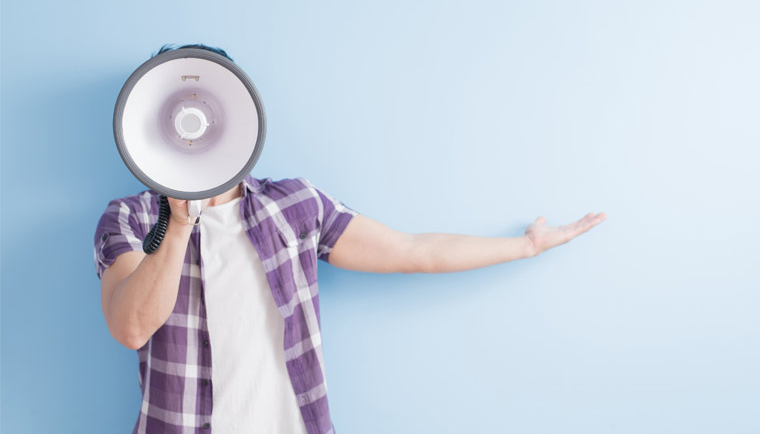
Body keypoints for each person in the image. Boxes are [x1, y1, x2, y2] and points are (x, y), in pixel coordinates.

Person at [93, 44, 607, 434]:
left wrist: (526, 246)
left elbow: (414, 253)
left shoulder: (294, 205)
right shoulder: (130, 219)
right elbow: (131, 327)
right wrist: (179, 222)